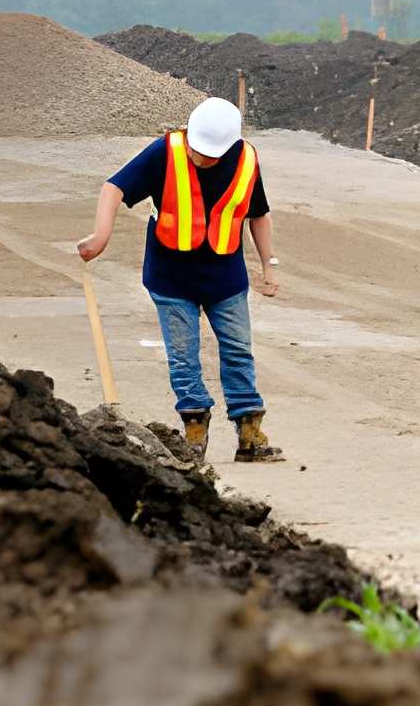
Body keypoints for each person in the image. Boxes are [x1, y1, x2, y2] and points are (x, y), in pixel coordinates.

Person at [76, 97, 285, 462]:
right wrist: (101, 235)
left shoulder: (246, 159)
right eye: (195, 149)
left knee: (238, 352)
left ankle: (250, 434)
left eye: (208, 154)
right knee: (183, 357)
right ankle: (194, 433)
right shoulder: (166, 151)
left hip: (225, 277)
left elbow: (258, 214)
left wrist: (269, 265)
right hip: (170, 278)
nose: (198, 157)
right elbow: (114, 188)